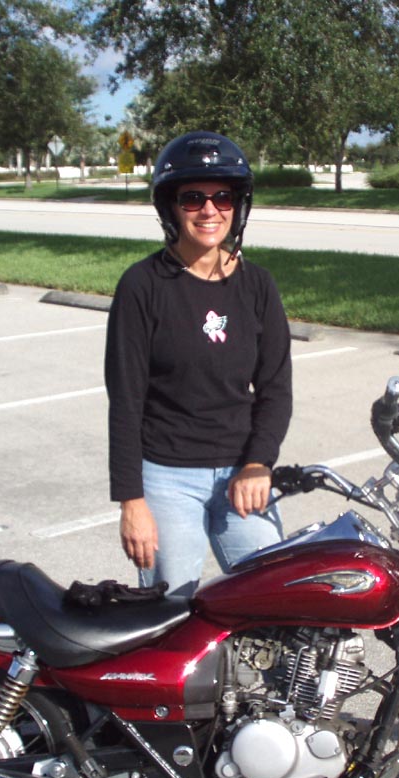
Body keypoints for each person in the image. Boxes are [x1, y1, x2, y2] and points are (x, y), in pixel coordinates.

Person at [104, 131, 293, 599]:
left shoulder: (258, 286)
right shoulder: (142, 286)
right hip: (167, 475)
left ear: (238, 205)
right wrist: (131, 501)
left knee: (274, 602)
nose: (209, 210)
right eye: (193, 198)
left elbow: (275, 389)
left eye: (222, 197)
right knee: (171, 607)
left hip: (241, 471)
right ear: (171, 207)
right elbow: (125, 401)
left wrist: (258, 463)